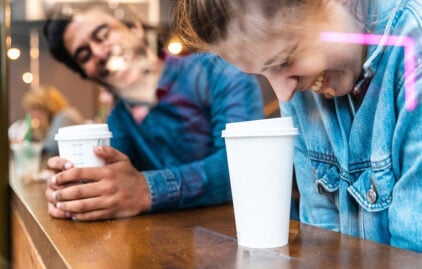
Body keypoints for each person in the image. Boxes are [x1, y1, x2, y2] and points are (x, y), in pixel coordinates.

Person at [173, 0, 422, 252]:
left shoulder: (415, 50)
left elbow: (411, 255)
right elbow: (323, 245)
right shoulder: (300, 87)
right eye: (263, 73)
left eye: (284, 61)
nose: (283, 95)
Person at [43, 6, 264, 221]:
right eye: (84, 55)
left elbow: (246, 166)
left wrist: (147, 190)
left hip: (260, 233)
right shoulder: (120, 119)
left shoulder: (218, 72)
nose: (99, 53)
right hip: (177, 246)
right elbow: (110, 182)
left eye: (103, 34)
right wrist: (71, 192)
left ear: (135, 27)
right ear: (87, 74)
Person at [9, 85, 84, 156]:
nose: (31, 114)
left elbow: (52, 147)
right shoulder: (57, 119)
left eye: (34, 108)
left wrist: (24, 144)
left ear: (47, 107)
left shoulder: (64, 116)